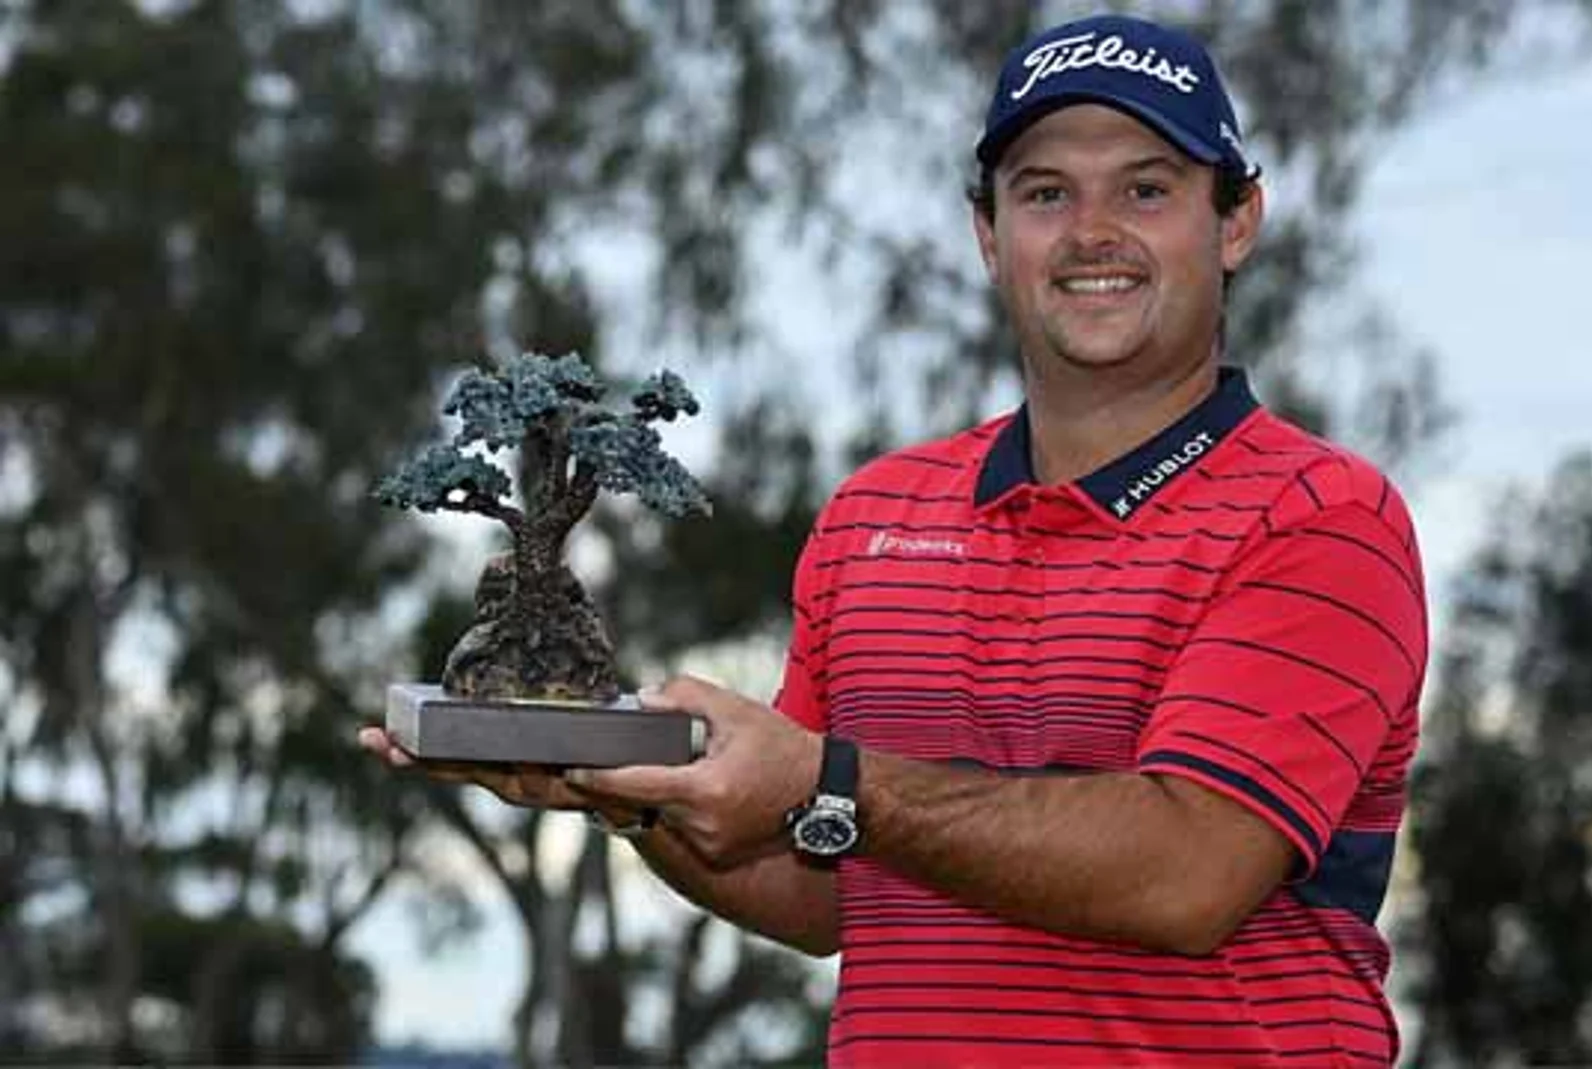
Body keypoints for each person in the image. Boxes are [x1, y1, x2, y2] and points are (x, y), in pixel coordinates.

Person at [363, 13, 1427, 1066]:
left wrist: (829, 781)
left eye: (1146, 189)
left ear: (1235, 221)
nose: (1092, 231)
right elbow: (820, 883)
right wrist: (621, 797)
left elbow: (1186, 872)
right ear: (988, 233)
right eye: (1044, 192)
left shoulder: (1319, 517)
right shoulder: (875, 517)